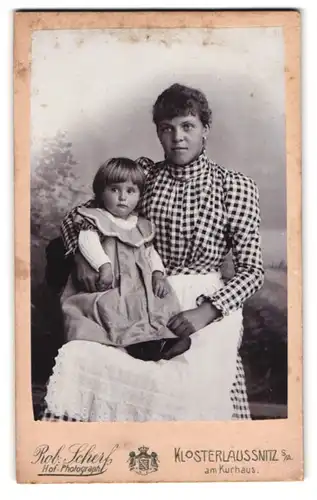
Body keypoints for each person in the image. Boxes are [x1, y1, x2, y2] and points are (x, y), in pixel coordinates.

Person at [41, 83, 264, 422]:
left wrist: (206, 312)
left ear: (205, 129)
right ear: (158, 134)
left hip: (203, 300)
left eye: (187, 126)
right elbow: (80, 216)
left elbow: (252, 270)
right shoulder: (144, 176)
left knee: (186, 391)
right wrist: (81, 256)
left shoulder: (233, 186)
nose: (178, 137)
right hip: (137, 294)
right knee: (85, 358)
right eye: (167, 129)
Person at [62, 156, 190, 361]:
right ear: (101, 192)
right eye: (114, 190)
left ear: (140, 195)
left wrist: (158, 274)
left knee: (155, 303)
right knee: (112, 306)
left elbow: (150, 252)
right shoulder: (96, 218)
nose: (122, 198)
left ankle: (160, 339)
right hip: (112, 280)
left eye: (130, 191)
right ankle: (132, 343)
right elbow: (88, 242)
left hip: (138, 282)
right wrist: (103, 266)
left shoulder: (140, 225)